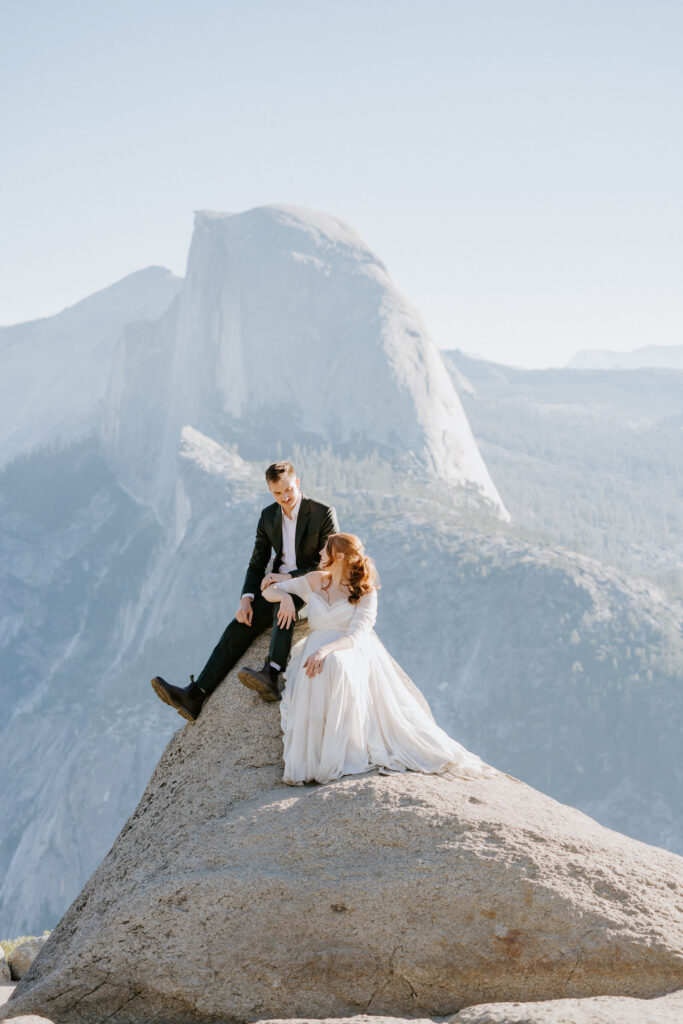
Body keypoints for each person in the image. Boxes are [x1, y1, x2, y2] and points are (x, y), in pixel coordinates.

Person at [262, 532, 496, 785]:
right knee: (315, 669)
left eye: (324, 550)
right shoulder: (315, 579)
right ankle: (313, 755)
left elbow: (357, 636)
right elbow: (270, 590)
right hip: (314, 648)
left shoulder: (365, 592)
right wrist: (285, 598)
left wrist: (325, 650)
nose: (319, 554)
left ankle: (338, 751)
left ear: (338, 556)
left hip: (347, 650)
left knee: (334, 665)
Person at [151, 461, 339, 721]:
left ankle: (272, 674)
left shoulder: (323, 513)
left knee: (284, 611)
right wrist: (246, 599)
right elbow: (257, 563)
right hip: (275, 585)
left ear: (297, 483)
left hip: (310, 587)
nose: (284, 497)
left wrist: (287, 580)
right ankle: (195, 695)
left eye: (288, 490)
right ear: (270, 491)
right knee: (240, 624)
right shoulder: (268, 516)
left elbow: (329, 563)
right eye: (276, 493)